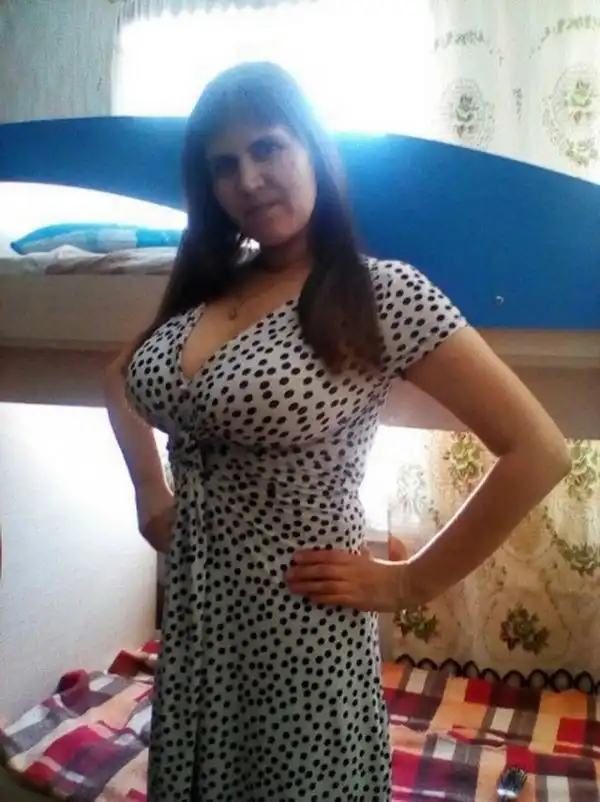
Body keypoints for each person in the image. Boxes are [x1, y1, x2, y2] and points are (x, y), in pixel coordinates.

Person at [104, 61, 570, 802]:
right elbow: (123, 374)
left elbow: (539, 451)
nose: (248, 179)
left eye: (268, 148)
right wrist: (147, 489)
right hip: (194, 635)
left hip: (302, 637)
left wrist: (411, 582)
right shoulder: (211, 284)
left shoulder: (383, 293)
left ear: (314, 150)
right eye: (224, 165)